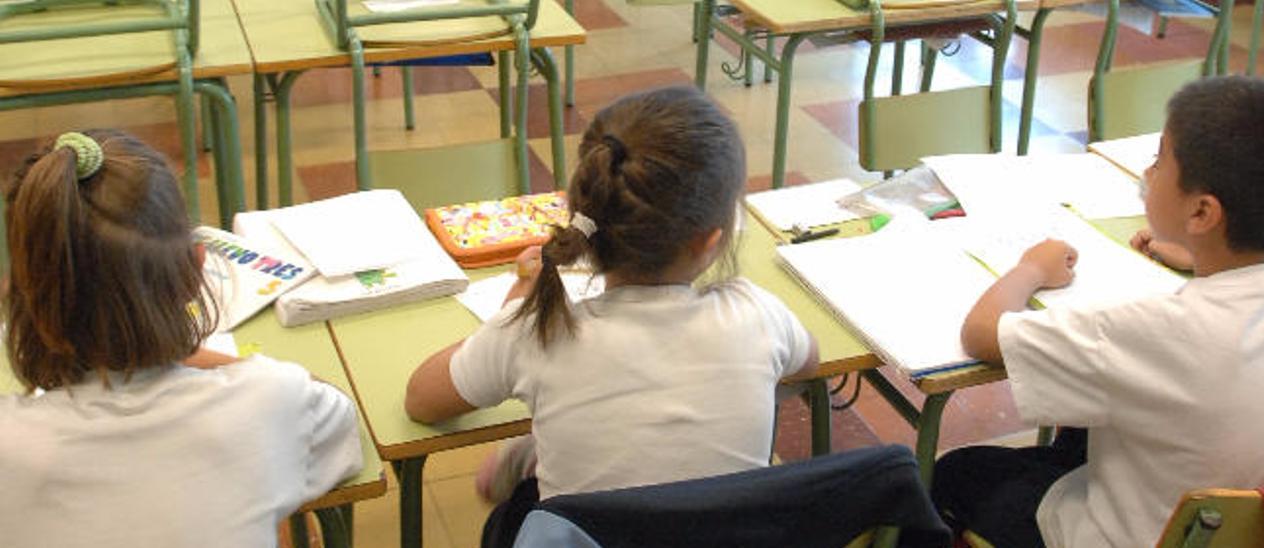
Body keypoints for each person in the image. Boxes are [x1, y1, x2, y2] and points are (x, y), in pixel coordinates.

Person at [404, 86, 820, 547]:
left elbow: (421, 401)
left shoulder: (534, 330)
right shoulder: (757, 315)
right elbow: (808, 365)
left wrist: (512, 312)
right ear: (710, 241)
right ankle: (538, 453)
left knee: (508, 520)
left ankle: (537, 455)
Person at [931, 75, 1264, 548]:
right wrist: (1200, 258)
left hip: (1123, 535)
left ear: (1201, 214)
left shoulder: (1152, 332)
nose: (1149, 171)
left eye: (1159, 160)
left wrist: (1031, 269)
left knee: (954, 472)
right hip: (1236, 529)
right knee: (1085, 429)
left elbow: (982, 334)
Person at [0, 130, 363, 547]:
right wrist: (190, 351)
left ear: (22, 289)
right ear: (196, 269)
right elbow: (338, 421)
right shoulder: (271, 397)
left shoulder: (11, 441)